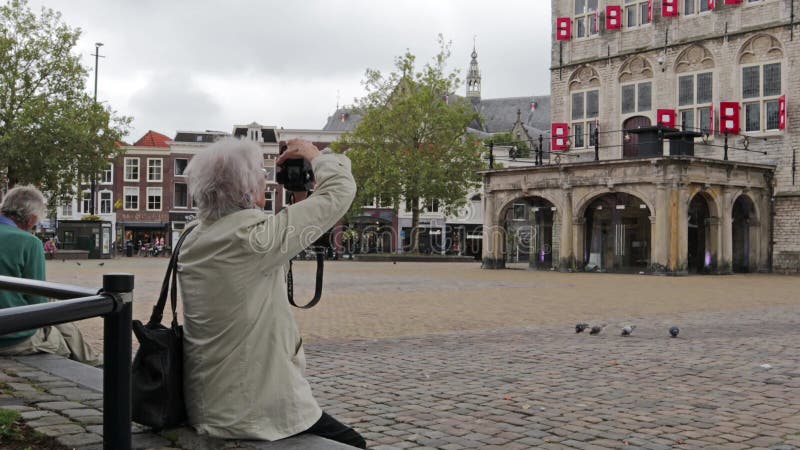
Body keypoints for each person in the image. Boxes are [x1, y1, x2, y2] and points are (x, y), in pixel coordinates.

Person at [178, 138, 364, 448]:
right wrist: (316, 157)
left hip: (208, 402)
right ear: (247, 190)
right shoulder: (254, 240)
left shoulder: (193, 236)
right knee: (352, 444)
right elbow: (339, 192)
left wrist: (300, 196)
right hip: (256, 409)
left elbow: (280, 236)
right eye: (260, 176)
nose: (266, 181)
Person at [0, 185, 101, 366]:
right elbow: (37, 305)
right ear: (31, 219)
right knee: (62, 345)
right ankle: (101, 372)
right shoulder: (29, 243)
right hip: (11, 336)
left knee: (64, 324)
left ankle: (97, 362)